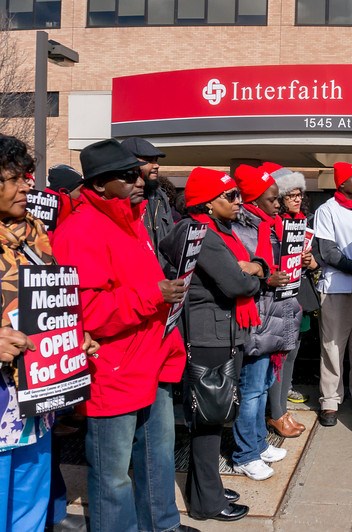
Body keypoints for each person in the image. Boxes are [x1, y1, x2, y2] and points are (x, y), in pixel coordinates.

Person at [53, 139, 190, 531]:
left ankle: (162, 525)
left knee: (157, 458)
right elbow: (87, 313)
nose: (139, 180)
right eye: (128, 175)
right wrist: (154, 294)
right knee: (113, 477)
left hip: (151, 361)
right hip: (113, 370)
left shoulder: (132, 220)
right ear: (99, 185)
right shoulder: (80, 230)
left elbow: (137, 287)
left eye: (139, 172)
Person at [0, 136, 98, 532]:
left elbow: (51, 302)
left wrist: (75, 335)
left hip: (33, 404)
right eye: (13, 179)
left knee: (30, 507)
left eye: (26, 177)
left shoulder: (37, 234)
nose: (27, 186)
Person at [160, 167, 265, 522]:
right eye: (231, 196)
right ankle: (207, 502)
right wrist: (254, 274)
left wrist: (248, 268)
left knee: (207, 418)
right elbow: (236, 284)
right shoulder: (201, 233)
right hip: (210, 337)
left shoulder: (201, 230)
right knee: (208, 420)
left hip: (213, 333)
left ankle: (206, 487)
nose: (239, 202)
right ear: (208, 203)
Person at [228, 163, 292, 480]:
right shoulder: (242, 230)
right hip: (256, 319)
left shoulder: (273, 226)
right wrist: (269, 275)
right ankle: (244, 454)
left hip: (274, 318)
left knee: (263, 387)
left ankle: (257, 443)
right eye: (272, 199)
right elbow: (245, 272)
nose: (278, 204)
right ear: (253, 202)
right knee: (251, 391)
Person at [314, 162, 352, 426]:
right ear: (342, 183)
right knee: (333, 347)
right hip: (338, 286)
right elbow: (328, 252)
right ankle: (330, 401)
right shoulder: (327, 210)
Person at [268, 166, 318, 435]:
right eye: (291, 195)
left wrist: (311, 261)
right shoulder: (275, 226)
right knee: (281, 355)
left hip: (301, 297)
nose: (297, 199)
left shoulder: (305, 223)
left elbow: (317, 258)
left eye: (300, 194)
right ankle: (276, 412)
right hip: (282, 298)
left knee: (294, 351)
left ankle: (282, 405)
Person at [120, 137, 174, 273]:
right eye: (150, 160)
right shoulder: (119, 197)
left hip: (163, 277)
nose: (156, 165)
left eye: (156, 160)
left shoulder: (159, 196)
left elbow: (170, 238)